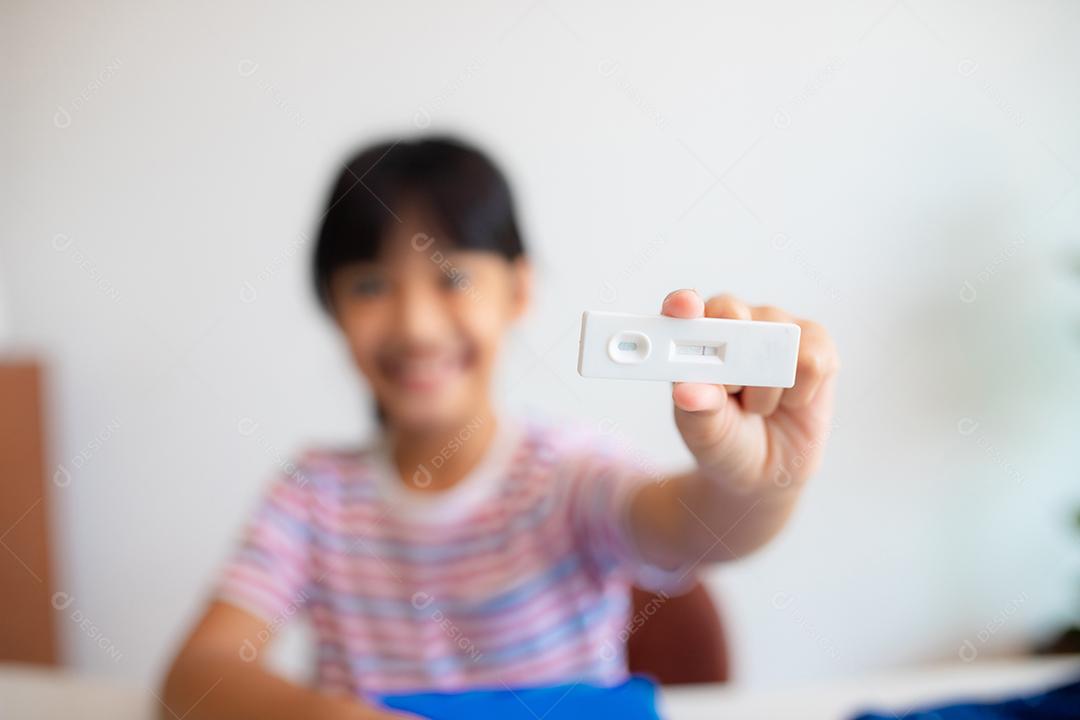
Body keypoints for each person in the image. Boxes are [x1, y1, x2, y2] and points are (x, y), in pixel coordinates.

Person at [161, 136, 839, 719]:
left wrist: (760, 483)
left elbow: (693, 528)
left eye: (451, 279)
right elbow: (195, 676)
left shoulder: (566, 473)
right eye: (370, 285)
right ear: (333, 310)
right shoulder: (313, 493)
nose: (416, 326)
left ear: (519, 291)